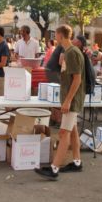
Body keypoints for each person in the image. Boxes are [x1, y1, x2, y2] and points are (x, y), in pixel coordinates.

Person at [35, 25, 85, 180]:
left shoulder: (71, 53)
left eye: (55, 35)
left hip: (72, 100)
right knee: (73, 132)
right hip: (71, 99)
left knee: (64, 133)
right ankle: (77, 162)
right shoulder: (69, 52)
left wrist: (68, 101)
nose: (54, 37)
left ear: (60, 35)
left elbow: (77, 79)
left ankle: (54, 168)